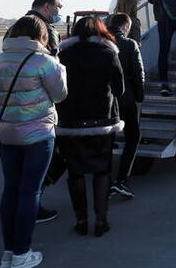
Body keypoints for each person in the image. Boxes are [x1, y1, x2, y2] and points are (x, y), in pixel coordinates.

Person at [0, 15, 67, 268]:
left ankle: (9, 252)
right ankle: (22, 254)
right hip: (38, 135)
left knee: (10, 190)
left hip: (7, 133)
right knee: (29, 191)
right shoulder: (44, 62)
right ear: (40, 35)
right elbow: (60, 95)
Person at [56, 17, 124, 237]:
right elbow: (119, 88)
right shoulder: (108, 53)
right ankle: (101, 221)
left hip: (71, 121)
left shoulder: (64, 54)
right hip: (102, 121)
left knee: (75, 172)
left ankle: (81, 220)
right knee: (101, 170)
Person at [7, 0, 65, 224]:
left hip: (10, 113)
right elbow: (54, 76)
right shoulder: (45, 30)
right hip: (36, 113)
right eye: (59, 6)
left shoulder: (16, 28)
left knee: (14, 177)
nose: (60, 11)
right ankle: (31, 211)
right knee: (37, 173)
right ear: (47, 6)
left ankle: (14, 215)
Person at [107, 13, 145, 199]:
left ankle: (104, 179)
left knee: (107, 138)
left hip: (104, 102)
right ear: (126, 26)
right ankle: (121, 179)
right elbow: (138, 74)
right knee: (133, 136)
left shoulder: (99, 43)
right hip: (126, 100)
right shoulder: (129, 44)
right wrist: (140, 97)